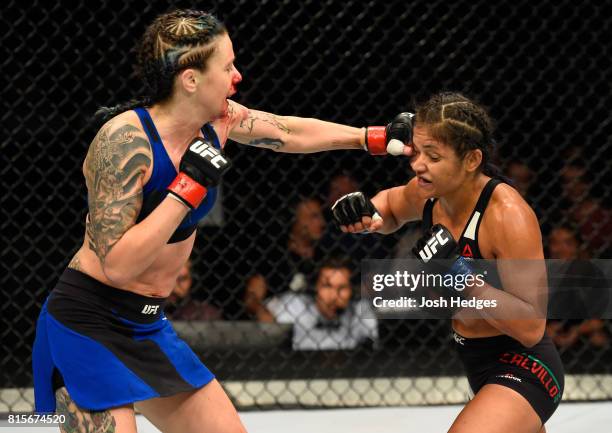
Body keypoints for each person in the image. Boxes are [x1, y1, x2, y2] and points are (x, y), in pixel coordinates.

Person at [31, 8, 413, 433]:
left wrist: (370, 137)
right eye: (227, 66)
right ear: (191, 79)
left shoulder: (218, 121)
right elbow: (117, 265)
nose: (238, 76)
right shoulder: (124, 142)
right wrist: (185, 188)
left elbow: (285, 132)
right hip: (87, 323)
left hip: (145, 323)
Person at [332, 92, 564, 432]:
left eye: (434, 156)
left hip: (524, 362)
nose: (417, 164)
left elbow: (531, 327)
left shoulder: (507, 216)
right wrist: (367, 211)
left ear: (471, 160)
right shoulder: (430, 193)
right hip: (475, 359)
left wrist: (458, 272)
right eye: (419, 150)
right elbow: (393, 206)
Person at [253, 257, 378, 350]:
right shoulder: (295, 305)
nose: (334, 296)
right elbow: (262, 315)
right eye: (327, 286)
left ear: (351, 290)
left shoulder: (360, 310)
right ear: (315, 287)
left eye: (342, 288)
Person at [545, 224, 609, 349]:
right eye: (555, 243)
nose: (560, 249)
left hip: (583, 331)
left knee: (598, 338)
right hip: (550, 332)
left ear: (577, 247)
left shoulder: (592, 273)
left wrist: (578, 330)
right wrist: (545, 330)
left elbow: (601, 318)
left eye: (567, 243)